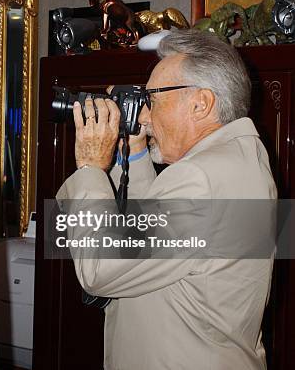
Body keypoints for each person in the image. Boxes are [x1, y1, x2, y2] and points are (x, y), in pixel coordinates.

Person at [57, 29, 276, 369]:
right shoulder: (241, 158)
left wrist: (90, 167)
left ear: (200, 103)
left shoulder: (201, 180)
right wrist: (135, 155)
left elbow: (100, 268)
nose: (144, 116)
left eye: (153, 100)